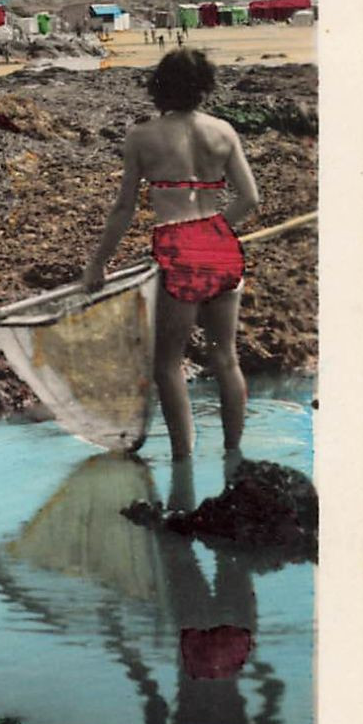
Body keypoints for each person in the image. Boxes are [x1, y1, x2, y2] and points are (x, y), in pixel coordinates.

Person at [81, 49, 259, 459]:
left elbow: (124, 209)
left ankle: (183, 459)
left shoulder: (143, 137)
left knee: (168, 362)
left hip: (177, 249)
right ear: (204, 88)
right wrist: (213, 232)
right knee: (226, 358)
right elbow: (249, 198)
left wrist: (98, 261)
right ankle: (234, 453)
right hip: (219, 244)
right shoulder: (223, 132)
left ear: (159, 88)